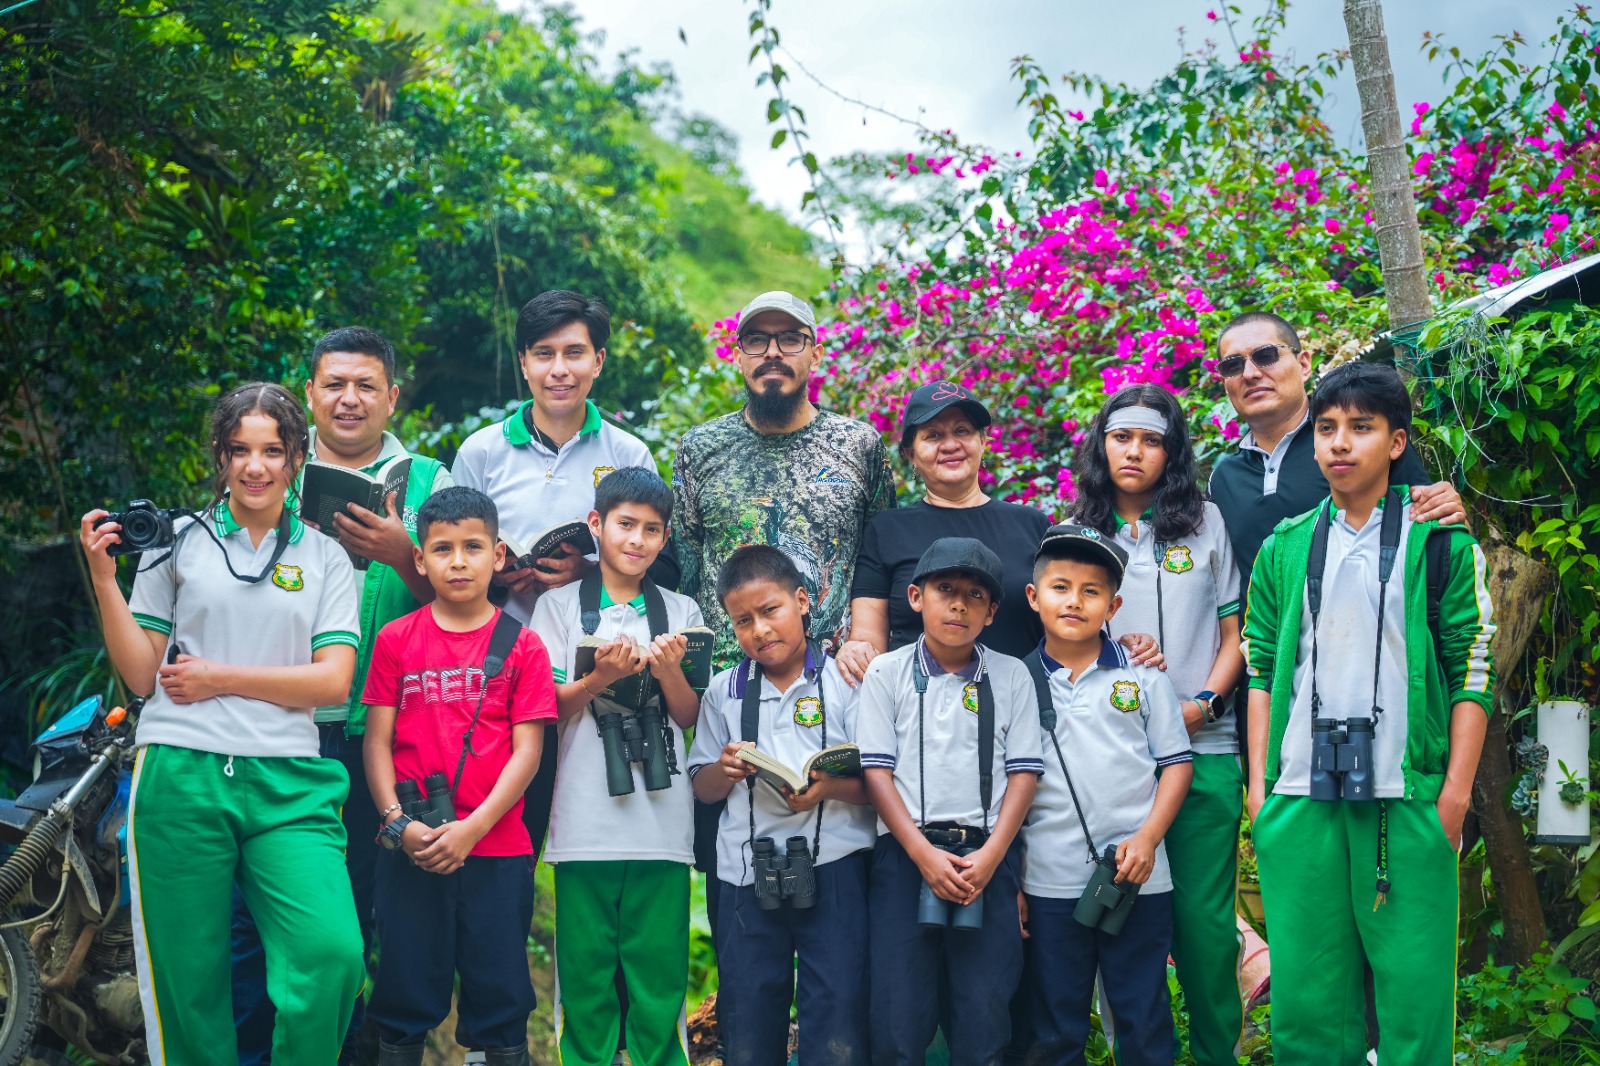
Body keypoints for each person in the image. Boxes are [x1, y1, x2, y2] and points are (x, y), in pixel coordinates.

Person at [80, 382, 364, 1065]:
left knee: (332, 953)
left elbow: (332, 683)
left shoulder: (325, 556)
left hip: (291, 781)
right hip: (182, 771)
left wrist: (220, 677)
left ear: (297, 456)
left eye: (272, 450)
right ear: (220, 455)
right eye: (240, 451)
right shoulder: (177, 543)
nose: (256, 467)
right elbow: (144, 676)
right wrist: (102, 580)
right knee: (189, 981)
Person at [1242, 361, 1495, 1065]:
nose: (1340, 443)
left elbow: (1475, 667)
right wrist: (1261, 786)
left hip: (1408, 795)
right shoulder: (1284, 547)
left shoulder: (1440, 540)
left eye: (1361, 427)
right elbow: (1262, 666)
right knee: (1307, 1006)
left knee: (1414, 1005)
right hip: (1298, 795)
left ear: (1396, 440)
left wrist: (1455, 793)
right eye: (1326, 428)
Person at [231, 325, 453, 1064]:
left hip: (386, 730)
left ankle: (351, 1047)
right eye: (334, 385)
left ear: (393, 397)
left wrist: (403, 555)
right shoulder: (271, 473)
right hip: (278, 726)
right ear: (310, 395)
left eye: (366, 386)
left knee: (361, 908)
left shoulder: (428, 479)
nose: (349, 399)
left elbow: (464, 603)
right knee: (261, 907)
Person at [1068, 384, 1245, 1065]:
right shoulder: (1081, 534)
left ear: (1170, 451)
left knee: (1204, 932)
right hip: (1114, 762)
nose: (1133, 451)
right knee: (1120, 926)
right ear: (1102, 445)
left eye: (1150, 439)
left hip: (1206, 751)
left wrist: (1203, 703)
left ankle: (1216, 1055)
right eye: (1121, 437)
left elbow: (1239, 634)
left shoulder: (1206, 522)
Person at [452, 290, 659, 860]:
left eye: (574, 352)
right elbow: (447, 550)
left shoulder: (629, 453)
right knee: (501, 832)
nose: (559, 370)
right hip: (496, 668)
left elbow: (656, 555)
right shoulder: (482, 452)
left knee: (596, 830)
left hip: (597, 673)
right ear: (523, 362)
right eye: (544, 354)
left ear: (599, 360)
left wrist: (587, 567)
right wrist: (497, 574)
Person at [362, 487, 554, 1066]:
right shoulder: (397, 639)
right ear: (419, 560)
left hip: (496, 849)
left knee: (498, 1003)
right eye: (442, 549)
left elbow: (528, 754)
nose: (459, 561)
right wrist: (397, 824)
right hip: (413, 848)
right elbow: (377, 741)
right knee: (401, 994)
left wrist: (472, 829)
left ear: (499, 556)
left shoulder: (524, 645)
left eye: (474, 547)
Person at [530, 467, 704, 1066]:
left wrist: (669, 671)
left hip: (663, 826)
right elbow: (544, 709)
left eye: (652, 530)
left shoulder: (681, 609)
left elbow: (687, 717)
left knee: (659, 985)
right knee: (585, 982)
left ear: (666, 536)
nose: (637, 540)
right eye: (625, 525)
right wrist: (601, 678)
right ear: (596, 525)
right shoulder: (555, 609)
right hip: (583, 825)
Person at [841, 380, 1165, 684]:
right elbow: (869, 638)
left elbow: (1072, 618)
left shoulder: (1032, 525)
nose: (950, 444)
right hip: (922, 715)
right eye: (933, 435)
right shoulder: (885, 531)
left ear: (983, 441)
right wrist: (857, 649)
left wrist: (1124, 645)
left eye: (962, 431)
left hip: (1023, 712)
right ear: (911, 453)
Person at [857, 537, 1043, 1065]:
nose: (959, 604)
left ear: (991, 612)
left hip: (985, 856)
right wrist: (920, 854)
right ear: (916, 597)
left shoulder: (1011, 676)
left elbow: (1023, 775)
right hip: (904, 856)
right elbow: (876, 771)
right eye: (945, 590)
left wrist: (992, 858)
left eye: (974, 595)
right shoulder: (886, 673)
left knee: (984, 1014)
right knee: (897, 1016)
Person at [688, 546, 876, 1066]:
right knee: (748, 1022)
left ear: (802, 601)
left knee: (838, 1019)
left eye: (770, 611)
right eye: (742, 620)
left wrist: (828, 790)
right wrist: (722, 771)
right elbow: (701, 786)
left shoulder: (847, 681)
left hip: (835, 866)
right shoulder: (724, 691)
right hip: (745, 872)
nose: (760, 630)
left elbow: (880, 784)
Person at [1020, 523, 1193, 1066]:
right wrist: (1014, 883)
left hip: (1137, 876)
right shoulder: (1013, 682)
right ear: (1034, 596)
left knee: (1142, 1013)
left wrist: (1147, 839)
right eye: (1061, 587)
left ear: (1114, 604)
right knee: (1054, 1022)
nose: (1075, 601)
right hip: (1047, 882)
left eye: (1091, 591)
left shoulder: (1142, 678)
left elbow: (1176, 764)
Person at [673, 289, 895, 669]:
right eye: (757, 340)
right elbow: (685, 567)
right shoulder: (699, 447)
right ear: (739, 356)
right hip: (726, 688)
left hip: (837, 683)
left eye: (791, 339)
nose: (772, 352)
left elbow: (880, 562)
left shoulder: (859, 445)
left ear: (816, 354)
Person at [1207, 311, 1465, 592]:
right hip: (1263, 633)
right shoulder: (1222, 479)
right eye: (1233, 365)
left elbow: (1438, 538)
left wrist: (1447, 510)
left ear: (1304, 364)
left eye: (1266, 355)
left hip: (1374, 625)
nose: (1250, 373)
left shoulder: (1358, 445)